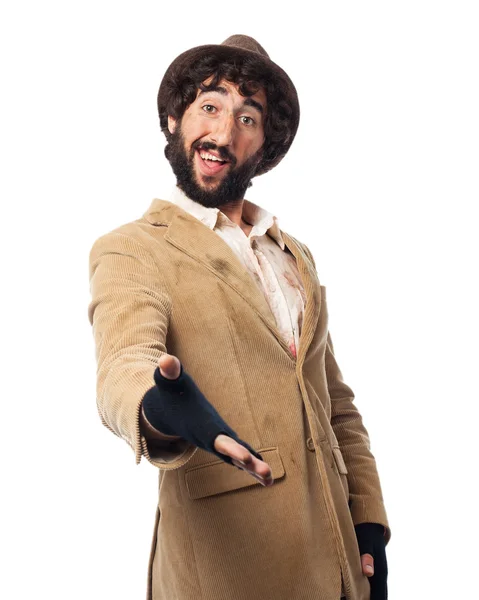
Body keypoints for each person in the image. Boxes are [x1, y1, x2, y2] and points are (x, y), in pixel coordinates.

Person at [87, 34, 391, 600]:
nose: (224, 134)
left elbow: (334, 402)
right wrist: (157, 404)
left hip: (339, 563)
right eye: (210, 106)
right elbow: (124, 362)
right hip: (229, 570)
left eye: (247, 117)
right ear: (176, 118)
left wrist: (369, 526)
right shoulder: (131, 248)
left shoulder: (292, 253)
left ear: (264, 145)